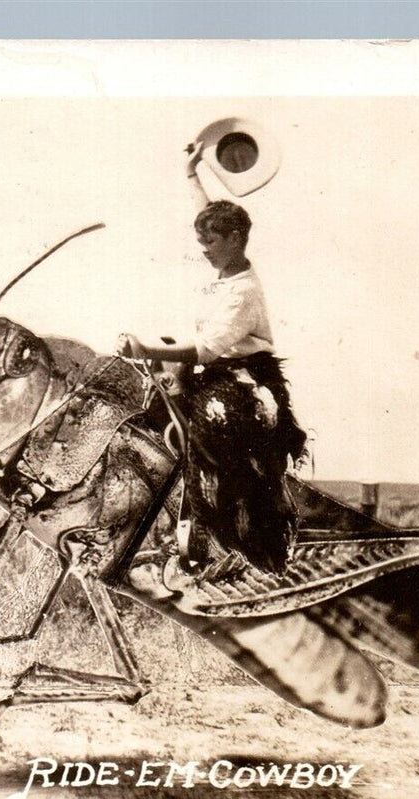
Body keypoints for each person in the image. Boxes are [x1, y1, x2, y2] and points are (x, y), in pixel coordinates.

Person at [118, 144, 306, 576]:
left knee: (207, 428)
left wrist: (147, 350)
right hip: (218, 371)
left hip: (247, 379)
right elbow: (208, 213)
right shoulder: (225, 268)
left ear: (236, 239)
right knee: (156, 410)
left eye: (211, 242)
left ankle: (215, 531)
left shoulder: (243, 292)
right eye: (201, 241)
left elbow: (204, 350)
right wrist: (190, 174)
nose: (203, 249)